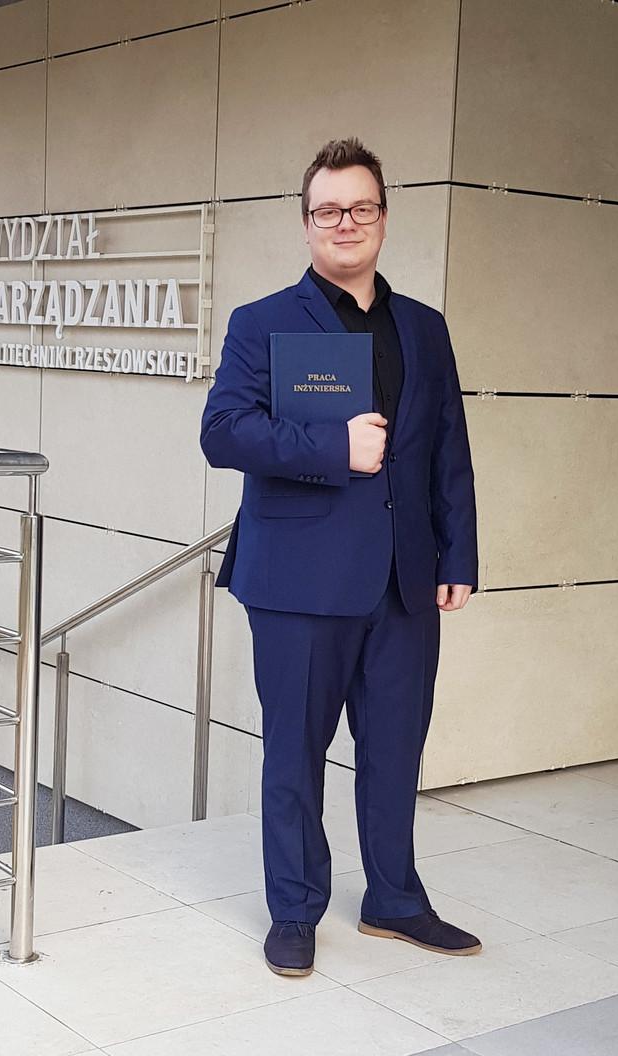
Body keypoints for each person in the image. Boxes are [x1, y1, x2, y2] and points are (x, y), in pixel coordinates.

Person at [199, 137, 480, 977]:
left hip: (403, 579)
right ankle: (294, 911)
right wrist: (333, 445)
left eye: (361, 207)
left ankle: (394, 899)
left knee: (395, 750)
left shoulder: (423, 328)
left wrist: (458, 553)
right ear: (306, 224)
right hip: (298, 582)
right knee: (295, 755)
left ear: (384, 218)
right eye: (328, 210)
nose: (345, 223)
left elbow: (448, 448)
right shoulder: (263, 322)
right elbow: (222, 433)